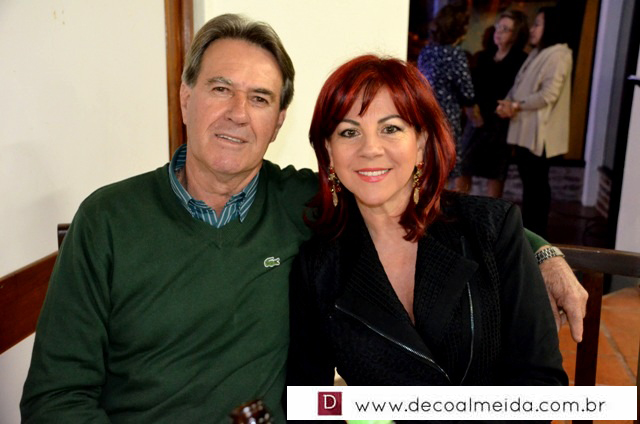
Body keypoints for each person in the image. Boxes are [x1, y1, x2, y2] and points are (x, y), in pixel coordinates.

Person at [20, 13, 583, 423]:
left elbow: (433, 213)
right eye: (220, 89)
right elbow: (55, 397)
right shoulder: (108, 219)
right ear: (186, 96)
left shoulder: (299, 201)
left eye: (260, 98)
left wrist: (542, 251)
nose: (238, 114)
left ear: (279, 120)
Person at [287, 55, 568, 391]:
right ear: (329, 151)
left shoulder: (493, 229)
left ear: (420, 142)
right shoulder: (317, 267)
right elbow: (308, 398)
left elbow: (540, 380)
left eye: (391, 128)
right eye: (349, 132)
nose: (370, 149)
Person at [497, 7, 573, 238]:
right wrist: (507, 102)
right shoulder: (538, 52)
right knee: (530, 184)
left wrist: (516, 105)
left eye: (538, 24)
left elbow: (548, 94)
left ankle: (536, 236)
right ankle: (529, 233)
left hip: (539, 133)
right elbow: (520, 84)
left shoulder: (559, 54)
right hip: (524, 128)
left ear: (550, 27)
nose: (532, 29)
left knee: (536, 186)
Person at [458, 10, 530, 198]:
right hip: (477, 120)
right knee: (462, 167)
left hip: (500, 124)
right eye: (498, 26)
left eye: (505, 29)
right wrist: (472, 111)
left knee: (495, 174)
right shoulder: (483, 56)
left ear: (516, 34)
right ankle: (457, 211)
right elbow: (471, 88)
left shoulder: (522, 60)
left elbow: (519, 94)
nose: (499, 32)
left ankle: (491, 215)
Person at [417, 4, 475, 185]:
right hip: (447, 115)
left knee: (428, 164)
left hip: (425, 112)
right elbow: (467, 91)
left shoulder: (427, 51)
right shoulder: (455, 54)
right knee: (445, 165)